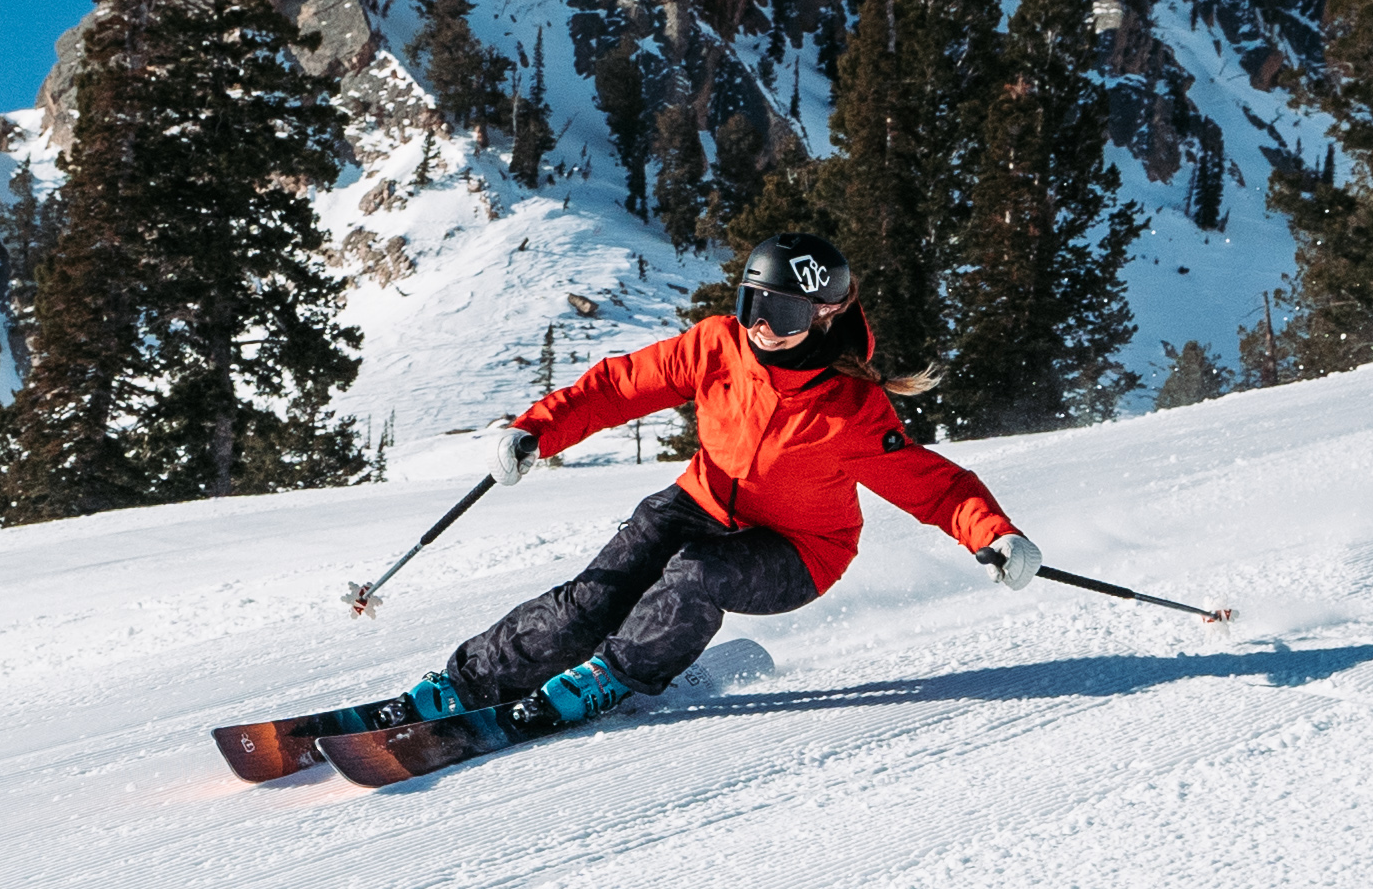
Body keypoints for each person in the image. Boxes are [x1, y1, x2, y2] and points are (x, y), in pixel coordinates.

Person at [405, 232, 1042, 735]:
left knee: (697, 576)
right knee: (595, 595)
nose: (763, 327)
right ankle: (470, 681)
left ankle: (613, 676)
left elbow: (937, 488)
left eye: (785, 312)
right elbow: (622, 385)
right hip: (701, 501)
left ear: (823, 316)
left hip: (800, 549)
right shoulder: (718, 345)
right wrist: (536, 431)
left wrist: (997, 536)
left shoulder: (852, 410)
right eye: (753, 305)